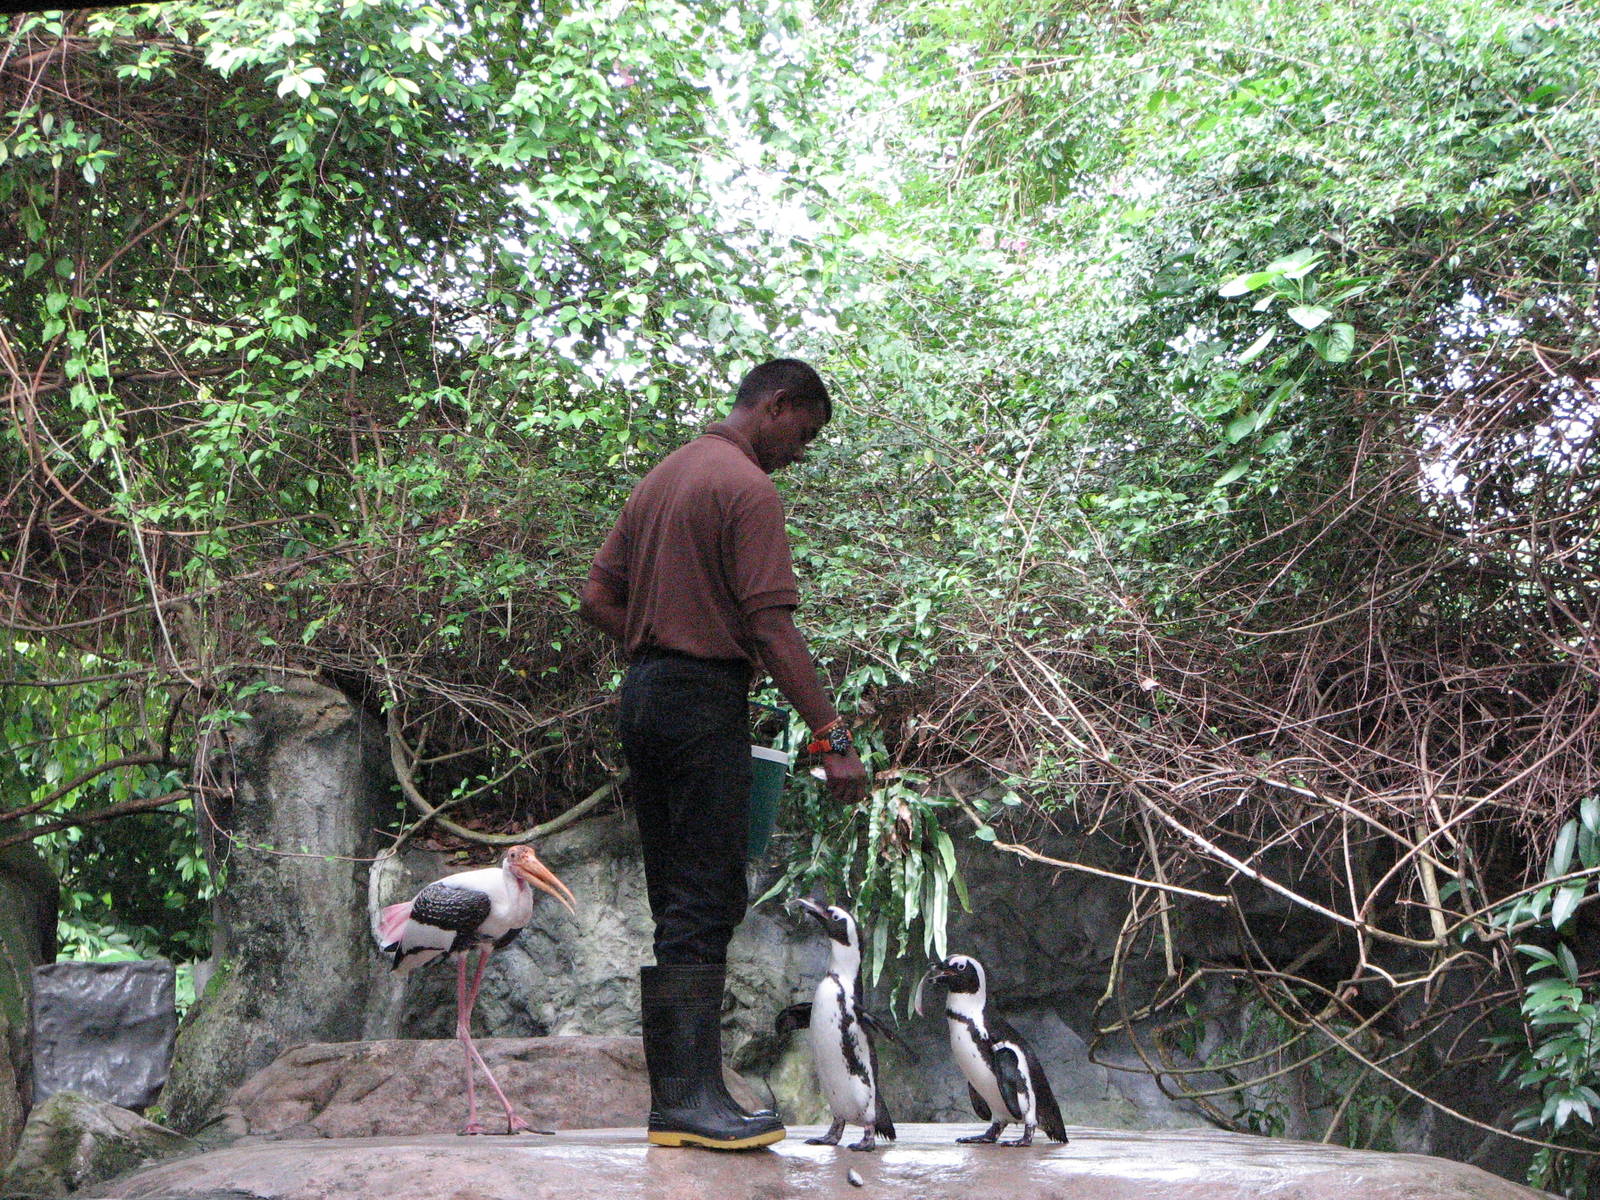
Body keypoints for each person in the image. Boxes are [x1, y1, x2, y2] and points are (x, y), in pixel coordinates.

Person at [579, 357, 870, 1150]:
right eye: (802, 433)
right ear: (776, 406)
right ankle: (687, 1104)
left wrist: (662, 638)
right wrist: (830, 736)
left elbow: (598, 598)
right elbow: (773, 627)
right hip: (699, 701)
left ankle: (682, 1104)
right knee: (707, 894)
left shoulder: (664, 476)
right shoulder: (746, 489)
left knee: (679, 897)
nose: (799, 452)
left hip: (644, 696)